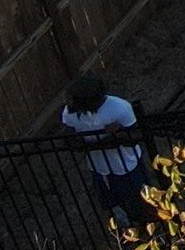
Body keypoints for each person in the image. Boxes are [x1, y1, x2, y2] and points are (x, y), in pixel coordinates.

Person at [61, 73, 151, 227]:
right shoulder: (70, 113)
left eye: (73, 99)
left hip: (127, 166)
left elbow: (135, 137)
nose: (68, 103)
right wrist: (104, 141)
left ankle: (149, 228)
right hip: (99, 168)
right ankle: (126, 232)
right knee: (112, 204)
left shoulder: (119, 108)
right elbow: (72, 143)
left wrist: (118, 134)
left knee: (140, 202)